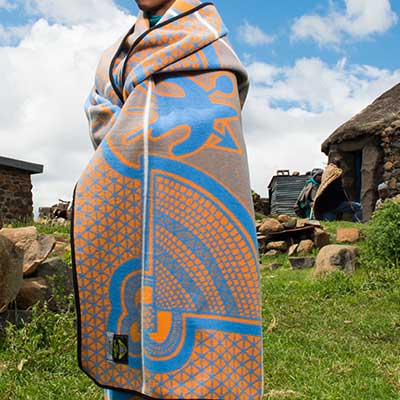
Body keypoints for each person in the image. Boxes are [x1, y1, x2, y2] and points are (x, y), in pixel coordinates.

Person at [70, 1, 263, 399]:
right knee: (127, 322)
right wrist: (139, 131)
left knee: (202, 332)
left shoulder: (213, 51)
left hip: (197, 219)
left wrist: (147, 126)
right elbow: (101, 118)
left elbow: (217, 139)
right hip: (123, 210)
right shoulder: (113, 59)